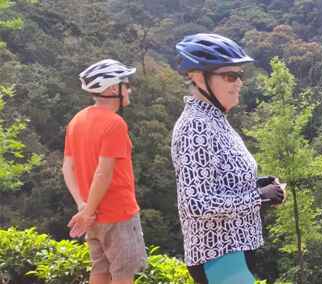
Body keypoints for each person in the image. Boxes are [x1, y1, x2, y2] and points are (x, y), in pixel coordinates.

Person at [171, 33, 286, 284]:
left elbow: (220, 182)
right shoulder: (196, 127)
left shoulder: (215, 119)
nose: (239, 83)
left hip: (234, 250)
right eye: (230, 76)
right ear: (198, 77)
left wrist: (260, 185)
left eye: (240, 76)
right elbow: (198, 204)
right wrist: (258, 197)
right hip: (219, 253)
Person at [63, 59, 147, 284]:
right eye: (126, 84)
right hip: (118, 212)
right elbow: (104, 173)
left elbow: (67, 167)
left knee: (100, 270)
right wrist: (88, 210)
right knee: (122, 274)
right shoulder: (115, 123)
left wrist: (83, 206)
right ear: (113, 89)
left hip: (92, 217)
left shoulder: (77, 120)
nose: (130, 89)